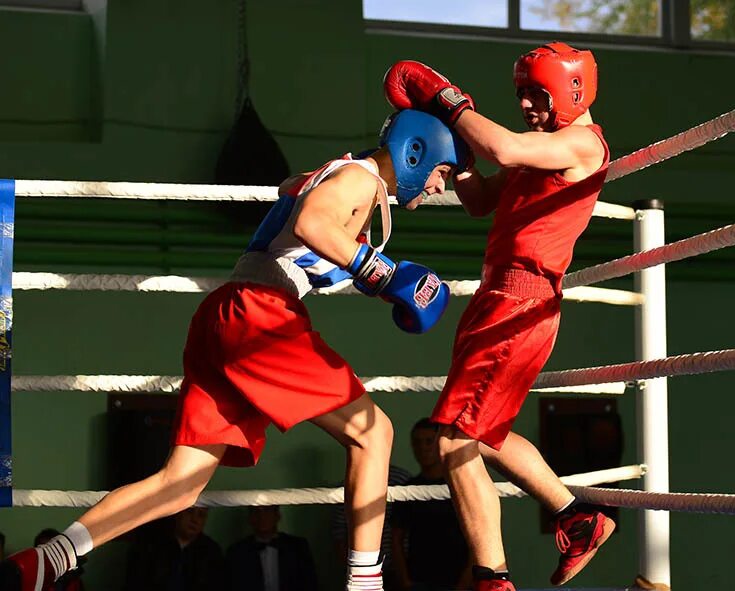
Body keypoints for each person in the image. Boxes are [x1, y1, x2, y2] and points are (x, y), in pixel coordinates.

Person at [0, 108, 470, 591]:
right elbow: (311, 222)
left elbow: (297, 211)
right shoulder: (359, 178)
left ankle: (48, 560)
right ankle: (366, 585)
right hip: (261, 315)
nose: (440, 186)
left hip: (227, 316)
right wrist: (384, 274)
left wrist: (380, 278)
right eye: (442, 171)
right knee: (375, 434)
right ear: (416, 153)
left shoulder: (351, 183)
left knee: (182, 484)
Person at [383, 42, 616, 590]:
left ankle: (494, 578)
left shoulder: (582, 143)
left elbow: (505, 150)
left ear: (571, 90)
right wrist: (457, 159)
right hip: (498, 298)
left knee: (452, 440)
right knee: (484, 433)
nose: (528, 106)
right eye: (522, 96)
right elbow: (482, 199)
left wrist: (451, 103)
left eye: (538, 94)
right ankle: (576, 517)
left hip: (522, 301)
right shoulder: (542, 145)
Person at [391, 419, 470, 591]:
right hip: (419, 580)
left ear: (440, 443)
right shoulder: (408, 489)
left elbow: (478, 534)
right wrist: (405, 581)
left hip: (459, 580)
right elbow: (396, 539)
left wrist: (465, 582)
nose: (423, 448)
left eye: (429, 441)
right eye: (417, 442)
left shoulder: (460, 486)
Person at [331, 464, 412, 591]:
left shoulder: (401, 479)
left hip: (399, 568)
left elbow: (403, 532)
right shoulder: (348, 484)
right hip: (365, 568)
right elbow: (339, 535)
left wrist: (403, 575)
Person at [122, 506, 224, 591]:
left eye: (201, 515)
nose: (194, 519)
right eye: (190, 511)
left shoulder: (211, 552)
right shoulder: (150, 544)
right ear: (178, 513)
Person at [225, 505, 317, 591]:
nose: (262, 516)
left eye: (267, 511)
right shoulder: (237, 552)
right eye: (256, 512)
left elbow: (310, 584)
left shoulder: (298, 547)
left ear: (277, 515)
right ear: (250, 518)